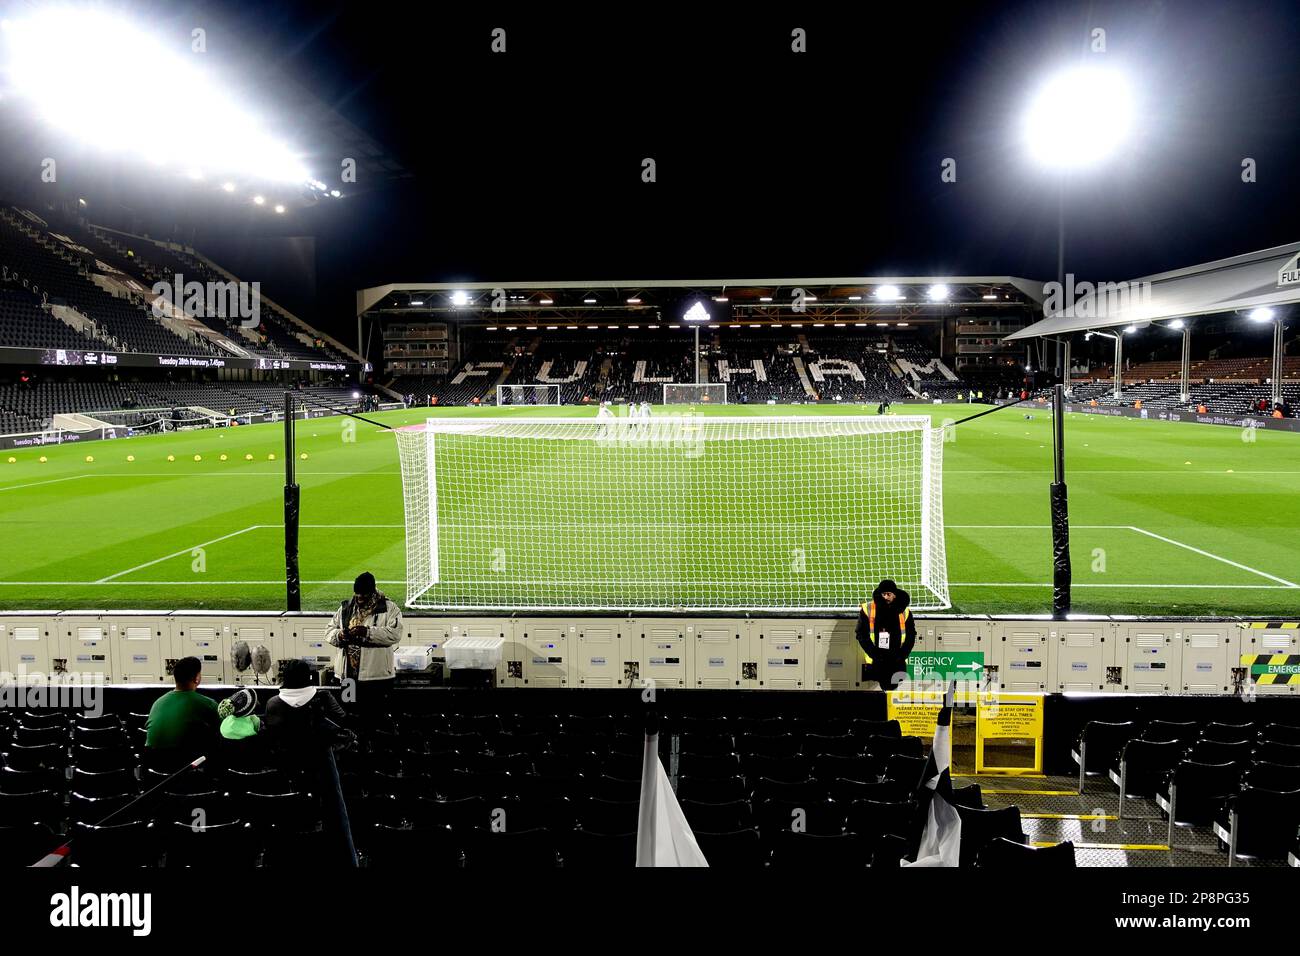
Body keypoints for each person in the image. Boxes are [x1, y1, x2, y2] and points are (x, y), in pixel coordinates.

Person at [264, 660, 357, 866]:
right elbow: (342, 720)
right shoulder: (322, 698)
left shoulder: (273, 704)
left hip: (287, 774)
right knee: (336, 818)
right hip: (322, 771)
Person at [326, 571, 402, 713]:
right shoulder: (345, 608)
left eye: (364, 594)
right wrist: (340, 635)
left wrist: (367, 632)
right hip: (347, 676)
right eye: (357, 593)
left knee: (374, 716)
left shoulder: (389, 608)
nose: (360, 597)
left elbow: (395, 634)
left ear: (372, 592)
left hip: (376, 677)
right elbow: (329, 631)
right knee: (349, 714)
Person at [145, 656, 219, 757]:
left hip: (152, 765)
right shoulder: (207, 704)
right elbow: (225, 730)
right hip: (185, 767)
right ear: (197, 678)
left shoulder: (158, 703)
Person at [855, 579, 917, 692]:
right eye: (884, 594)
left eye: (889, 594)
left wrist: (903, 654)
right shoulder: (868, 609)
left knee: (894, 686)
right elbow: (861, 634)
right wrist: (874, 653)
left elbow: (911, 635)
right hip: (877, 658)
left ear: (895, 595)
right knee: (883, 687)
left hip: (897, 658)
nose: (886, 597)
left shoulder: (905, 611)